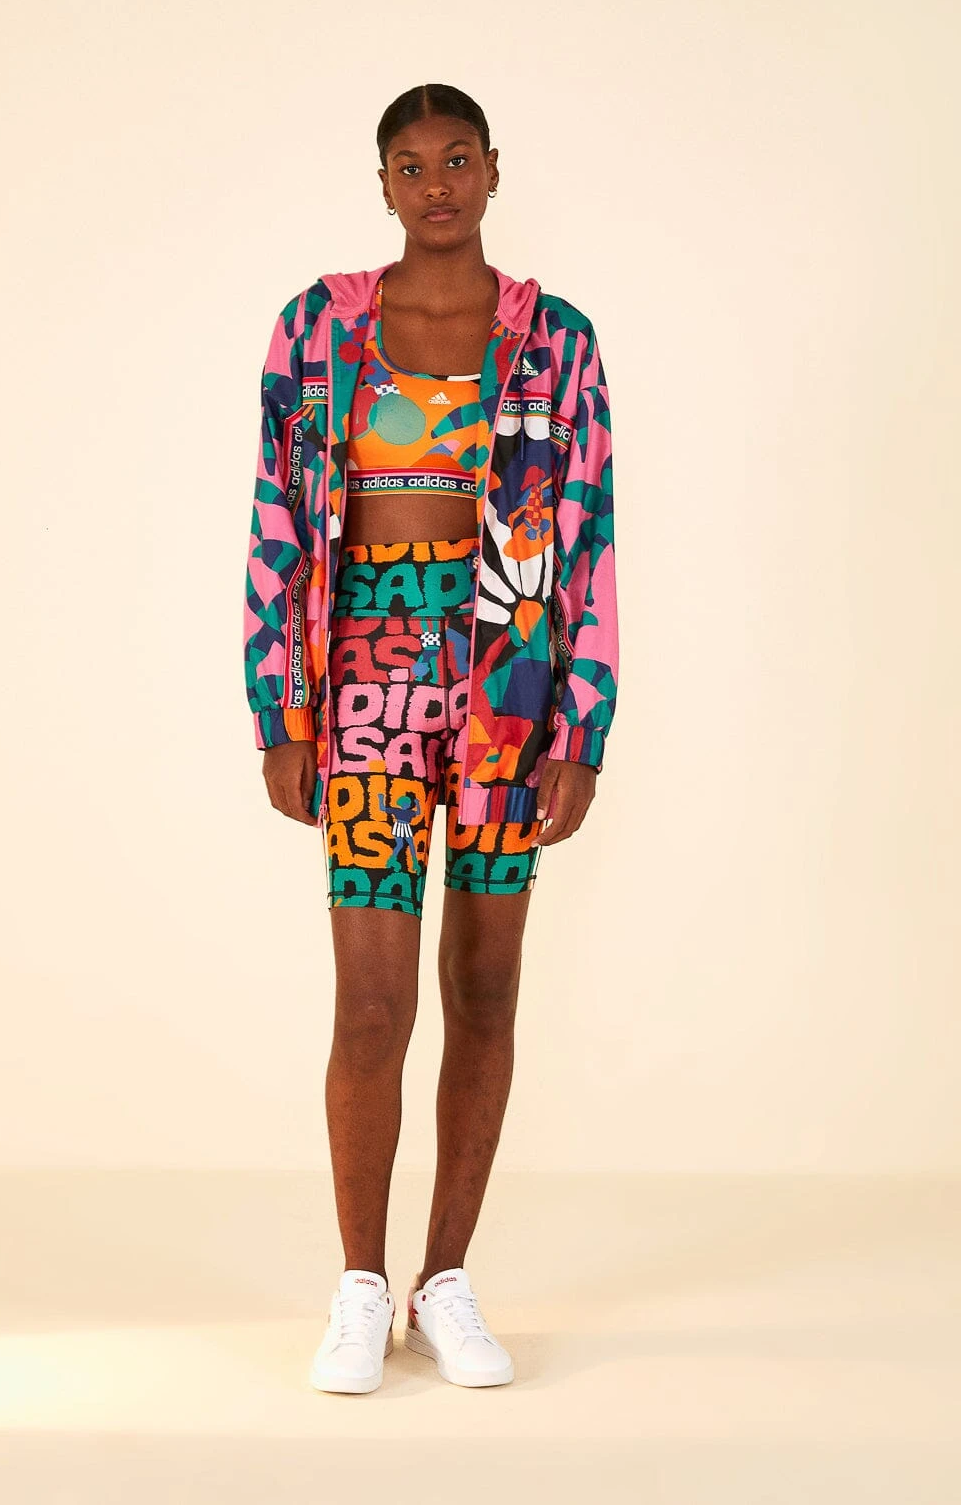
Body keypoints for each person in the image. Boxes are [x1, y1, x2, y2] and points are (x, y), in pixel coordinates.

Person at [243, 83, 618, 1394]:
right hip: (368, 677)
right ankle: (359, 1286)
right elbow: (277, 520)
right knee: (372, 1001)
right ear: (385, 185)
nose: (438, 184)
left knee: (487, 988)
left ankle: (443, 1279)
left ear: (494, 171)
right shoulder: (319, 327)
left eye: (458, 160)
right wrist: (280, 708)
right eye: (411, 166)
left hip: (510, 678)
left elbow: (592, 532)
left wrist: (584, 721)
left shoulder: (557, 341)